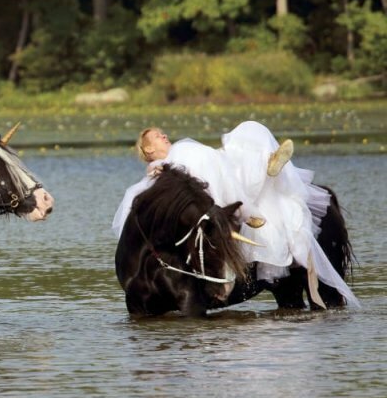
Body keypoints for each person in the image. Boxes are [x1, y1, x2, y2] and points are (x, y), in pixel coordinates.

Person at [112, 121, 359, 308]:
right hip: (201, 199)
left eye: (162, 133)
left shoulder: (185, 151)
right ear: (147, 150)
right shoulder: (156, 171)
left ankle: (265, 165)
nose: (164, 135)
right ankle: (248, 196)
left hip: (213, 181)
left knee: (248, 129)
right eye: (156, 137)